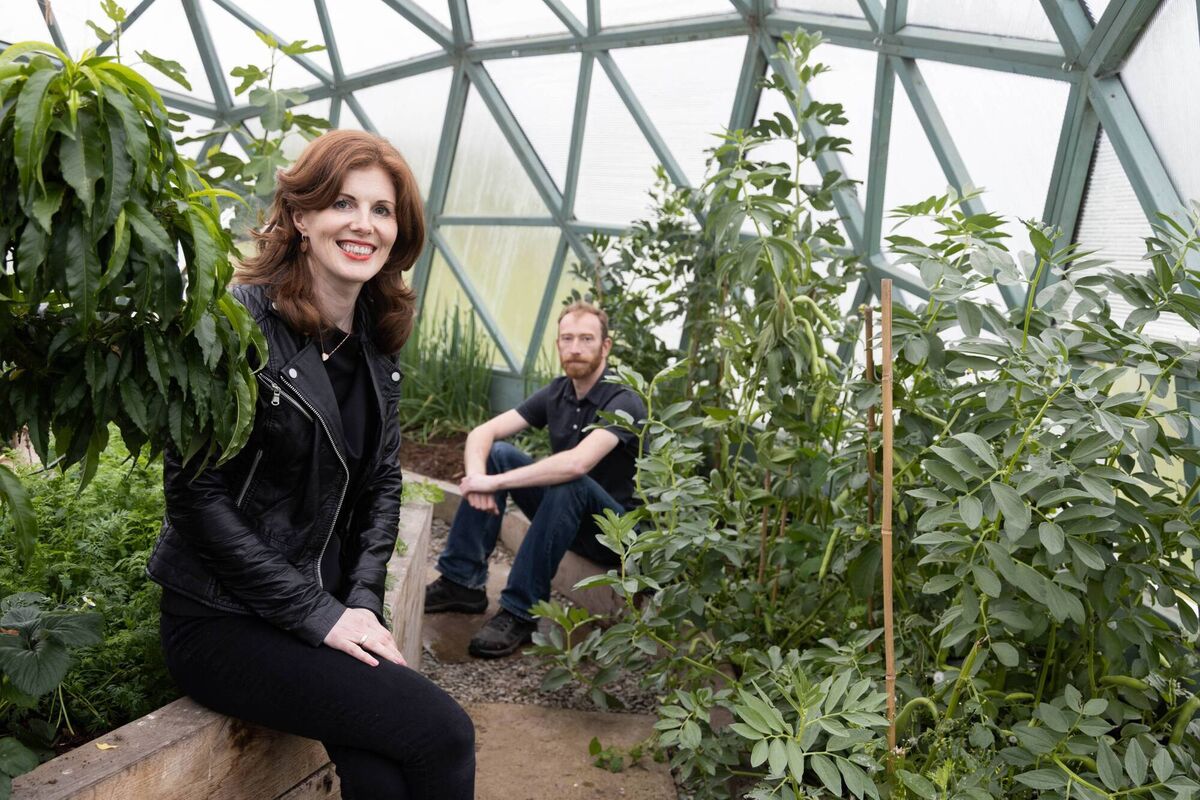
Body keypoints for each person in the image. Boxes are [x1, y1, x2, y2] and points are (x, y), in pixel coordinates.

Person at [146, 130, 474, 800]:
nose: (364, 224)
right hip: (223, 619)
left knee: (383, 776)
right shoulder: (237, 323)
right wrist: (320, 616)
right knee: (442, 733)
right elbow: (194, 495)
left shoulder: (377, 338)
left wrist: (361, 603)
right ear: (301, 216)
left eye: (381, 210)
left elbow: (382, 485)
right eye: (342, 204)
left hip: (322, 608)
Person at [425, 302, 647, 658]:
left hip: (620, 538)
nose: (575, 347)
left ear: (605, 346)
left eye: (586, 339)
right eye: (567, 338)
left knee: (570, 480)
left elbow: (577, 463)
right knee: (498, 454)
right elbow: (483, 432)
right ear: (558, 344)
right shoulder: (560, 391)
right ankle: (460, 582)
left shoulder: (624, 401)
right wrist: (479, 477)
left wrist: (494, 484)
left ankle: (520, 611)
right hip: (573, 519)